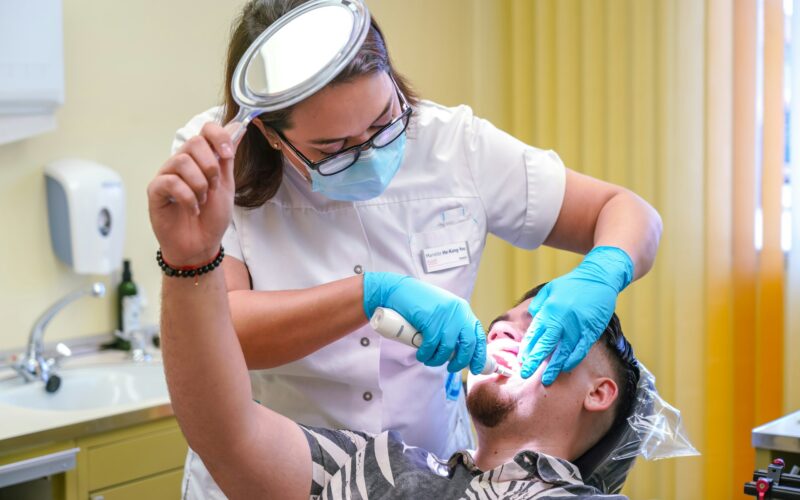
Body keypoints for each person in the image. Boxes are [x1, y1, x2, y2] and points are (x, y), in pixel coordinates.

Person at [159, 0, 661, 495]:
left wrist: (605, 269)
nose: (369, 151)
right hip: (283, 471)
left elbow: (627, 211)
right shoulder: (219, 162)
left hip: (428, 470)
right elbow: (217, 336)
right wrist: (370, 295)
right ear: (270, 135)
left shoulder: (455, 145)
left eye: (384, 121)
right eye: (334, 148)